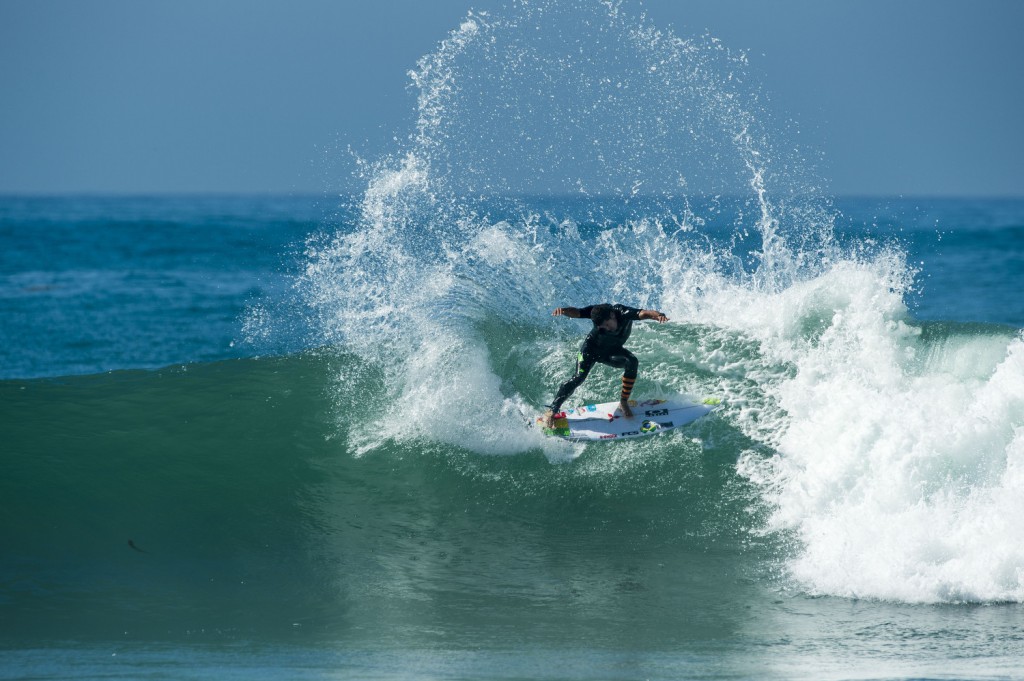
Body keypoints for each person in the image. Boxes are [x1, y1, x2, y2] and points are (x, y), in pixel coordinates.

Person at [543, 303, 669, 428]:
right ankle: (552, 410)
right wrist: (564, 310)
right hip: (590, 350)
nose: (607, 329)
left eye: (608, 325)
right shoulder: (596, 312)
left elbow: (643, 313)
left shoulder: (623, 313)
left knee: (632, 362)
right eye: (603, 327)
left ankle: (623, 402)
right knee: (578, 377)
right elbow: (578, 312)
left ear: (612, 315)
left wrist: (658, 315)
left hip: (611, 352)